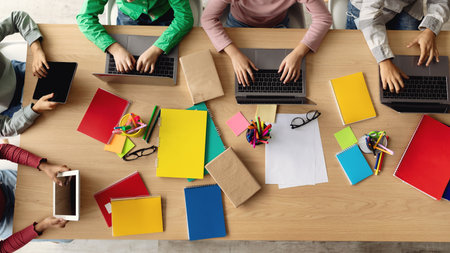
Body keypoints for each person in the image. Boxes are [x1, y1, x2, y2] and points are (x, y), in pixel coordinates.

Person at [201, 0, 332, 86]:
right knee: (230, 80)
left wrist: (298, 53)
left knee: (283, 80)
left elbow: (323, 18)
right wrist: (234, 54)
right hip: (238, 25)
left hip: (277, 27)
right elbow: (208, 19)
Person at [346, 0, 450, 93]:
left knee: (411, 59)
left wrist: (430, 30)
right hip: (365, 7)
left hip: (407, 6)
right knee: (361, 62)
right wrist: (384, 60)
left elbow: (440, 2)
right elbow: (369, 16)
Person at [76, 0, 194, 74]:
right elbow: (85, 18)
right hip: (128, 16)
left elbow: (184, 18)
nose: (128, 0)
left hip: (164, 14)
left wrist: (157, 49)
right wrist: (115, 49)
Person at [0, 144, 70, 251]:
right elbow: (2, 249)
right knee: (67, 235)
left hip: (5, 184)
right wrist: (41, 226)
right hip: (5, 221)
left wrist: (43, 166)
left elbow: (3, 150)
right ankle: (56, 239)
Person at [0, 11, 59, 137]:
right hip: (16, 109)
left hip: (20, 72)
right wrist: (34, 110)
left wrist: (36, 49)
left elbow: (17, 18)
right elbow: (4, 129)